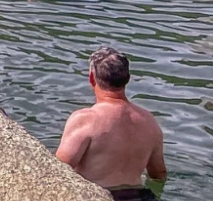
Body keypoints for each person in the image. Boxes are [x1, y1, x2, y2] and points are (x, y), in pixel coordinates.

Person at [56, 47, 167, 200]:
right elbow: (159, 174)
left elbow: (58, 169)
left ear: (91, 78)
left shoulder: (85, 119)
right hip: (139, 197)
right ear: (128, 78)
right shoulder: (149, 122)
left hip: (98, 196)